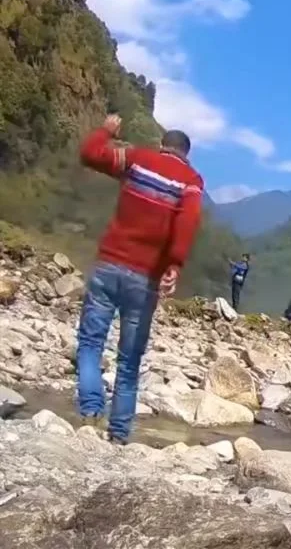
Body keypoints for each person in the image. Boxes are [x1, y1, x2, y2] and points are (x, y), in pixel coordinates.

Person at [75, 115, 203, 444]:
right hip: (145, 279)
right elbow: (186, 223)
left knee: (91, 343)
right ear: (186, 154)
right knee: (129, 361)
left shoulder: (137, 159)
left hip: (108, 266)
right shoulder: (190, 181)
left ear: (163, 145)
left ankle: (90, 411)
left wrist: (106, 130)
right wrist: (174, 264)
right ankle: (118, 435)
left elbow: (90, 153)